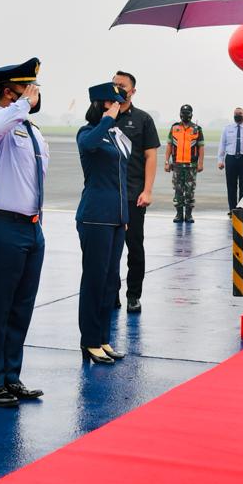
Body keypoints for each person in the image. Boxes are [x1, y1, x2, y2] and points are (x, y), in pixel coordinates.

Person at [0, 58, 48, 408]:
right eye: (27, 89)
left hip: (29, 229)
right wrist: (20, 105)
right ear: (8, 92)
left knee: (20, 308)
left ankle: (10, 376)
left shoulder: (33, 132)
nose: (34, 96)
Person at [76, 82, 130, 364]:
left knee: (110, 281)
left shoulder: (116, 135)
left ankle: (104, 338)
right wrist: (106, 120)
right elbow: (87, 145)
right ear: (101, 104)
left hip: (116, 218)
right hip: (95, 216)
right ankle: (89, 341)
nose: (119, 108)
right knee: (95, 280)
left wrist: (125, 217)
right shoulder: (89, 133)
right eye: (114, 103)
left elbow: (122, 177)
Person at [111, 70, 160, 313]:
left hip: (133, 196)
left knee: (134, 248)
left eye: (122, 85)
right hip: (109, 195)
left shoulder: (143, 119)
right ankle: (111, 293)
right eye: (114, 84)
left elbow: (151, 156)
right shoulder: (103, 117)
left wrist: (147, 190)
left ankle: (133, 294)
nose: (117, 87)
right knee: (109, 250)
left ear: (132, 91)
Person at [165, 104, 204, 223]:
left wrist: (200, 163)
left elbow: (201, 147)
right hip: (177, 165)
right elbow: (169, 146)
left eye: (187, 113)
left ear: (191, 114)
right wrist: (167, 162)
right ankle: (178, 214)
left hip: (191, 166)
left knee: (190, 190)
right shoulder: (174, 128)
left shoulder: (197, 129)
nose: (185, 115)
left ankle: (189, 215)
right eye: (183, 113)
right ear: (180, 114)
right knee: (178, 190)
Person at [218, 107, 243, 213]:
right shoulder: (227, 129)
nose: (237, 115)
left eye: (240, 113)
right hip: (231, 159)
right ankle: (232, 209)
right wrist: (220, 160)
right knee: (231, 186)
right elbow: (222, 145)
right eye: (236, 113)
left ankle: (241, 209)